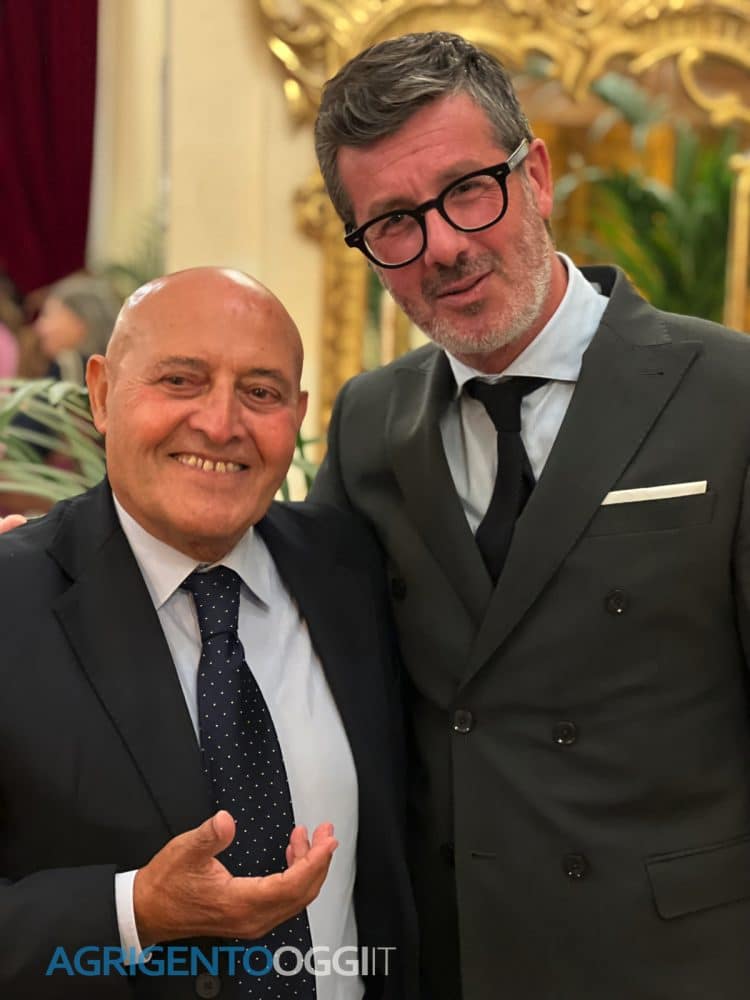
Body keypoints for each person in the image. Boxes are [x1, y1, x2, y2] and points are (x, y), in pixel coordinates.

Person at [309, 30, 750, 1000]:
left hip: (682, 964)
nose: (444, 246)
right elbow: (295, 629)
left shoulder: (731, 393)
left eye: (468, 189)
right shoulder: (369, 421)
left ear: (536, 176)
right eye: (393, 222)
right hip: (461, 959)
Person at [0, 267, 416, 998]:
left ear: (298, 412)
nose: (221, 425)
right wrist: (133, 911)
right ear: (101, 392)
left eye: (261, 392)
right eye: (180, 381)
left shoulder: (355, 571)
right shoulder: (13, 601)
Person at [34, 272, 122, 384]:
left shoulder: (69, 368)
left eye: (47, 315)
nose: (39, 327)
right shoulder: (118, 373)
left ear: (81, 322)